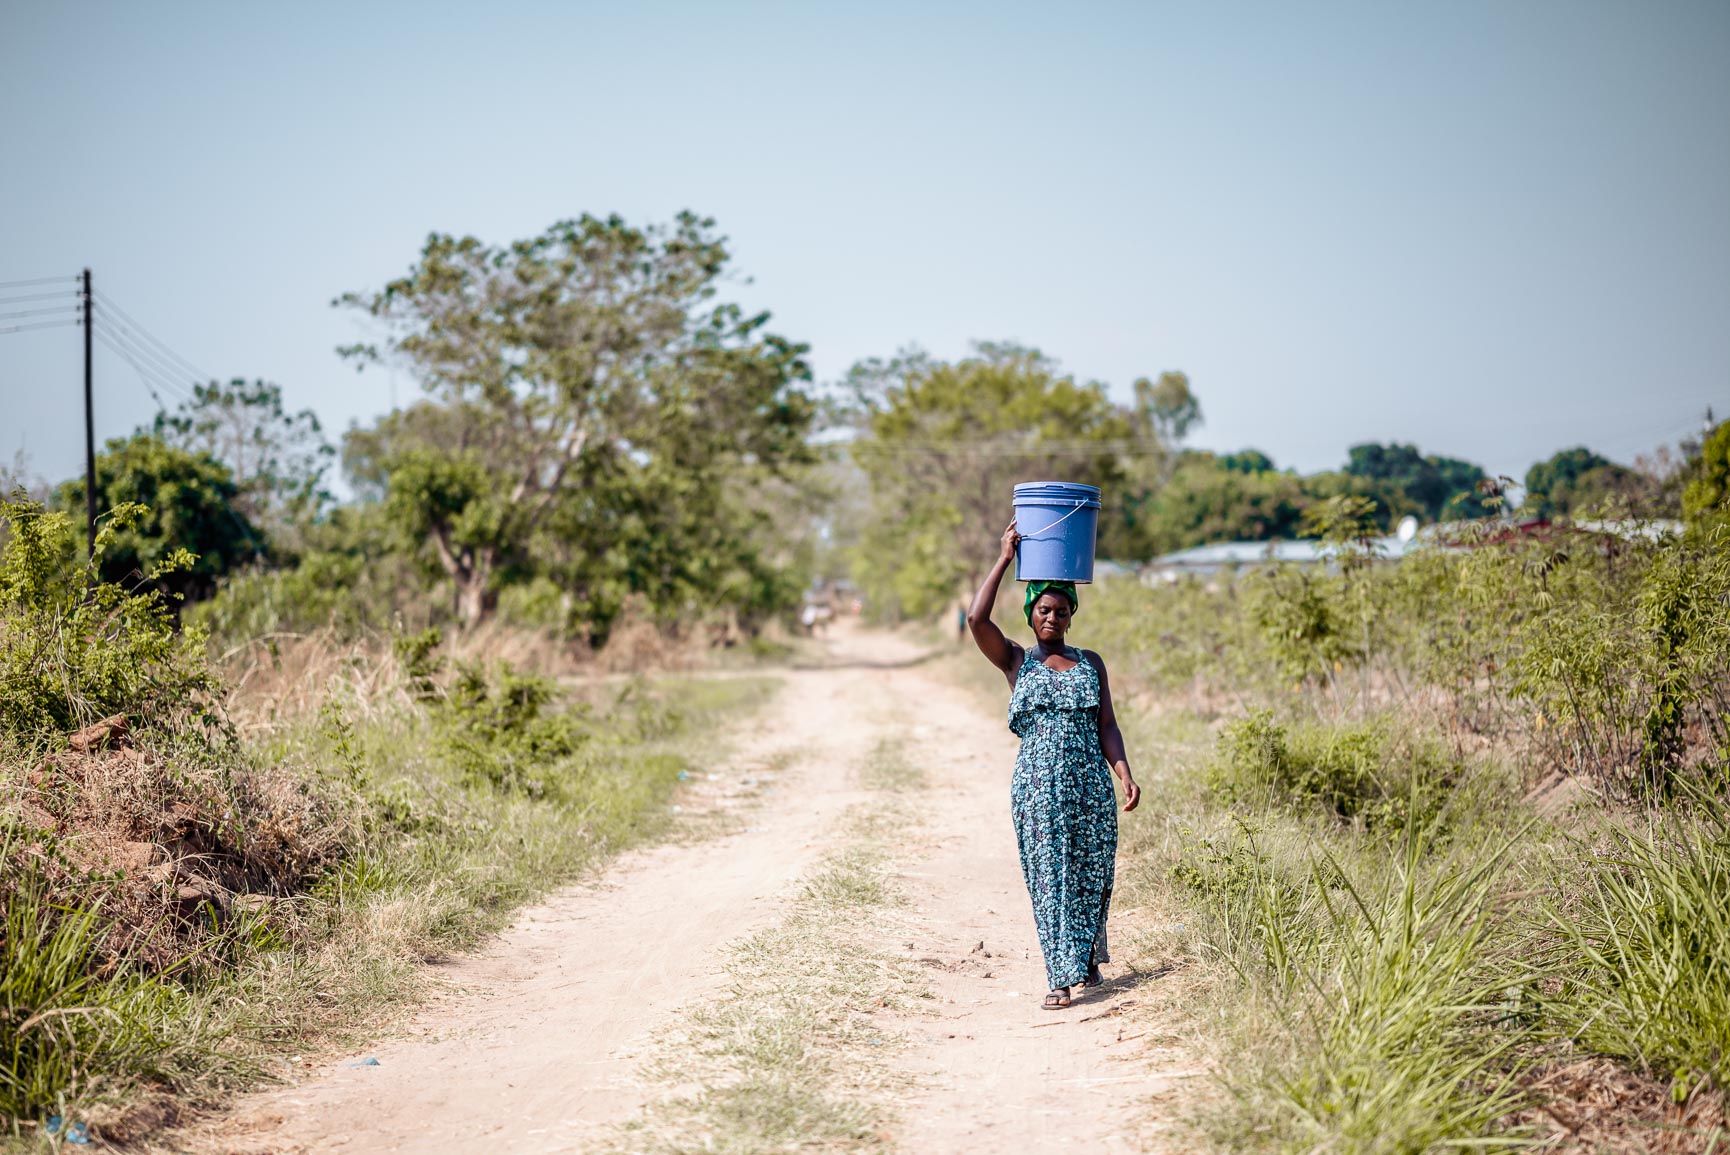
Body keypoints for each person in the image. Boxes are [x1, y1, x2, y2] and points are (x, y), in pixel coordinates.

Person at [966, 517, 1140, 1010]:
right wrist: (1004, 557)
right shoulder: (1017, 661)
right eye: (1044, 609)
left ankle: (1085, 961)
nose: (1053, 618)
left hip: (1090, 786)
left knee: (1092, 872)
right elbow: (977, 621)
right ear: (1030, 612)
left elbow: (1107, 723)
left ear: (1071, 616)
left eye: (1062, 611)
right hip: (1038, 788)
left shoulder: (1091, 663)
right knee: (1050, 876)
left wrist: (1123, 771)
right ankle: (1058, 978)